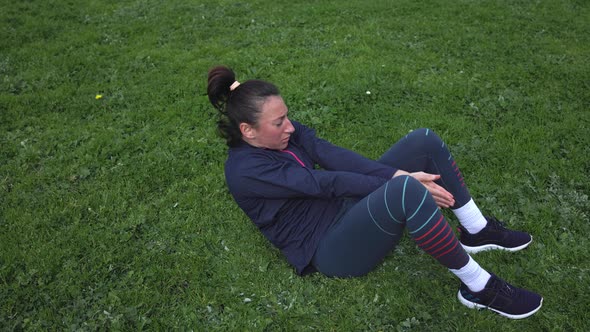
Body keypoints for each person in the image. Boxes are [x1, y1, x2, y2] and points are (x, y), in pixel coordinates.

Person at [206, 65, 543, 319]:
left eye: (287, 116)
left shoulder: (281, 133)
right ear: (248, 131)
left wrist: (398, 173)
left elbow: (331, 154)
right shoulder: (247, 171)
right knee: (405, 191)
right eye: (279, 122)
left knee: (422, 141)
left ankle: (476, 228)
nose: (290, 127)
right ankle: (479, 287)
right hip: (329, 248)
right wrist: (405, 183)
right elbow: (325, 182)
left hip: (344, 208)